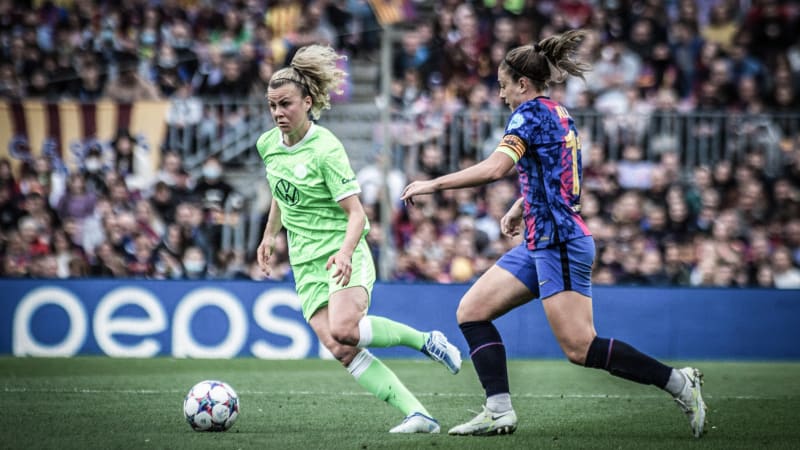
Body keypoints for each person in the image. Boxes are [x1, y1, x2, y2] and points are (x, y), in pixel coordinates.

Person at [401, 30, 707, 438]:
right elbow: (555, 175)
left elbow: (495, 169)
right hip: (540, 238)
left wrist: (432, 184)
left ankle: (679, 382)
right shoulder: (559, 113)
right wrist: (519, 207)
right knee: (471, 312)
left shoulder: (527, 115)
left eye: (503, 86)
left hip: (560, 241)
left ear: (522, 84)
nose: (501, 94)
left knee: (581, 348)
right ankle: (498, 411)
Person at [255, 44, 461, 434]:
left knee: (345, 328)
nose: (279, 113)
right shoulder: (268, 146)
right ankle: (419, 415)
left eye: (286, 104)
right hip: (304, 261)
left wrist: (347, 252)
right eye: (272, 106)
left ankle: (426, 340)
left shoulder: (327, 149)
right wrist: (269, 236)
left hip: (340, 251)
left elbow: (357, 213)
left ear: (308, 101)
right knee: (340, 347)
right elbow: (281, 196)